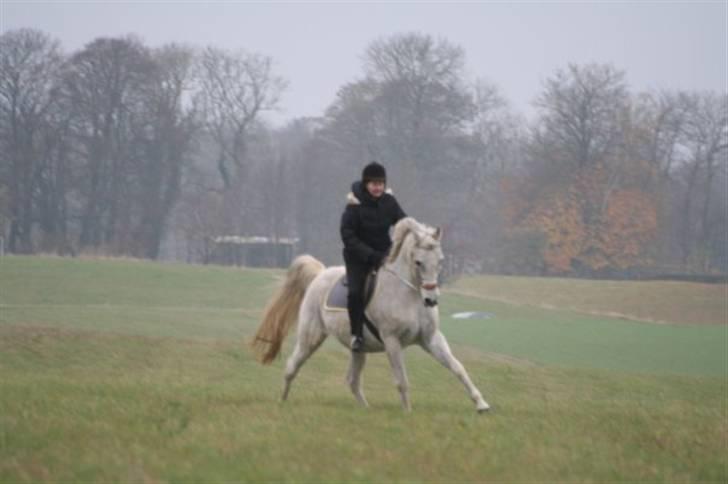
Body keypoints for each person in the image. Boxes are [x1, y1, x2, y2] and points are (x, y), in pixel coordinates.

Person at [340, 161, 407, 352]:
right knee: (355, 293)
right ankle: (356, 335)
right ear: (366, 184)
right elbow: (347, 236)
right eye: (373, 183)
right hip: (357, 258)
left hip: (384, 255)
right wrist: (370, 255)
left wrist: (416, 235)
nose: (378, 187)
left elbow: (403, 223)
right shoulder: (354, 206)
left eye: (381, 183)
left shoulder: (389, 202)